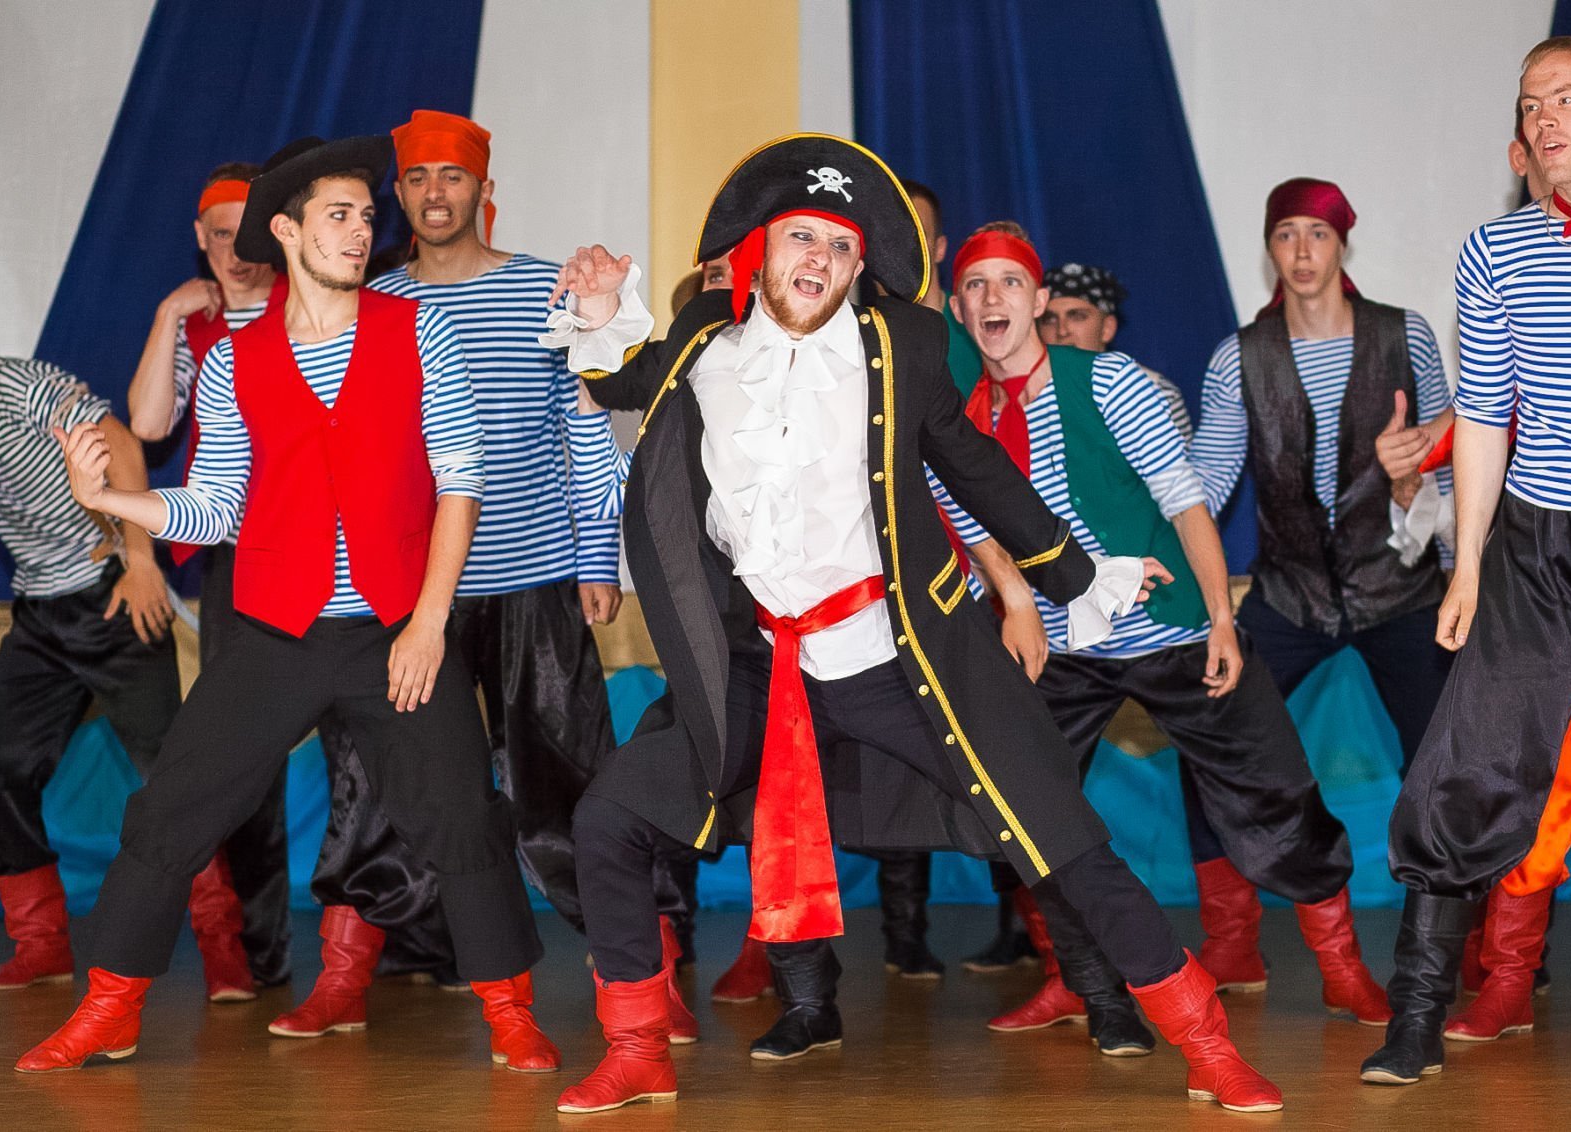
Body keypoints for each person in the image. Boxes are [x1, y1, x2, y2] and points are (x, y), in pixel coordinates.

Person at [545, 133, 1281, 1115]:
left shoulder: (900, 348)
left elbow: (976, 468)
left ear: (860, 268)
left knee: (1059, 835)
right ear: (759, 249)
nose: (819, 258)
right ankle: (636, 1047)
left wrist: (1076, 577)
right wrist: (601, 313)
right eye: (802, 236)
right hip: (754, 665)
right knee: (608, 816)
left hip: (897, 657)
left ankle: (1205, 1040)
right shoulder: (704, 340)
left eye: (841, 246)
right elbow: (621, 380)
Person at [16, 136, 556, 1075]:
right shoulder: (235, 360)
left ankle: (511, 1011)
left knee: (462, 815)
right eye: (338, 216)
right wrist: (111, 501)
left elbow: (461, 480)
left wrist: (429, 622)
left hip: (396, 627)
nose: (360, 232)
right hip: (276, 629)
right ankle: (110, 1008)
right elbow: (217, 506)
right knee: (168, 809)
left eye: (365, 216)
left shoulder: (418, 330)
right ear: (288, 231)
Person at [936, 223, 1389, 1054]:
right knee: (1024, 811)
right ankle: (1078, 982)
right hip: (1057, 646)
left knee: (1277, 789)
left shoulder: (1111, 382)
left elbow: (1186, 502)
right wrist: (1014, 600)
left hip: (1168, 627)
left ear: (1039, 300)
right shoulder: (959, 415)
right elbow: (970, 523)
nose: (992, 298)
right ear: (959, 307)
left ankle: (1341, 966)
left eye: (1010, 282)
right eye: (975, 285)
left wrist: (1222, 620)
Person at [263, 108, 657, 1041]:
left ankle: (642, 978)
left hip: (535, 579)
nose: (434, 192)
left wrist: (595, 556)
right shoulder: (368, 300)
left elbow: (584, 424)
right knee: (371, 783)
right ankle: (344, 976)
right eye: (417, 178)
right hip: (403, 596)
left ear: (485, 190)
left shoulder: (543, 288)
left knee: (569, 781)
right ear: (396, 195)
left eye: (452, 175)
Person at [1362, 37, 1571, 1086]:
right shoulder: (1495, 250)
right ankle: (1416, 1012)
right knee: (1468, 762)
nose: (1542, 118)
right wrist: (1465, 568)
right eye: (1528, 104)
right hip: (1539, 540)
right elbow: (1486, 416)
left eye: (1564, 99)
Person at [1186, 177, 1456, 992]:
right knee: (1207, 732)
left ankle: (1463, 944)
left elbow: (1451, 458)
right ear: (1270, 249)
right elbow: (1204, 482)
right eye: (1285, 235)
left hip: (1401, 587)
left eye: (1317, 234)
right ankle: (1233, 941)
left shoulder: (1405, 335)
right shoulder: (1240, 356)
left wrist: (1458, 572)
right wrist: (1148, 516)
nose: (1302, 251)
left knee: (1449, 762)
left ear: (1342, 244)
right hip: (1291, 594)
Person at [125, 162, 291, 1001]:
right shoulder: (198, 328)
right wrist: (168, 316)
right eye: (222, 234)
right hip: (238, 556)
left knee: (377, 747)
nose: (237, 249)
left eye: (249, 232)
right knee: (242, 751)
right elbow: (149, 425)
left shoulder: (312, 304)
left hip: (339, 555)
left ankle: (403, 942)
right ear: (201, 238)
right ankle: (254, 953)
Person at [0, 312, 180, 994]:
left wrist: (141, 559)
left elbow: (118, 441)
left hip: (112, 594)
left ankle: (227, 952)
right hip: (40, 613)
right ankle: (40, 944)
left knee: (176, 780)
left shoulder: (25, 387)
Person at [1038, 261, 1193, 440]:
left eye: (1078, 317)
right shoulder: (1027, 397)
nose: (1062, 331)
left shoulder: (1155, 392)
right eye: (1049, 319)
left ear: (1107, 328)